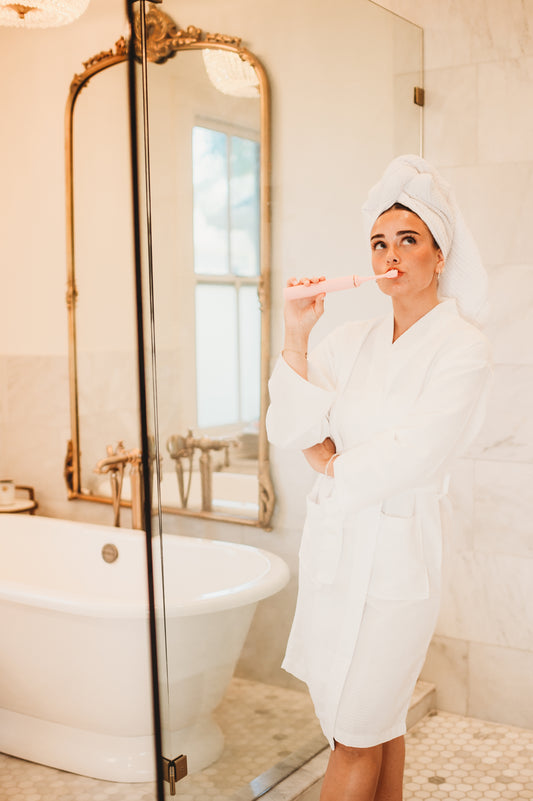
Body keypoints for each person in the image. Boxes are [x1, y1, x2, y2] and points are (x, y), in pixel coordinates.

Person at [266, 155, 492, 801]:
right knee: (375, 722)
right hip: (337, 553)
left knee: (356, 736)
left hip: (398, 557)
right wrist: (296, 334)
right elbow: (290, 426)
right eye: (378, 242)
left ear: (439, 255)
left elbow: (418, 450)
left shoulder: (462, 346)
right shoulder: (348, 340)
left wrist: (333, 461)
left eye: (408, 239)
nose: (390, 254)